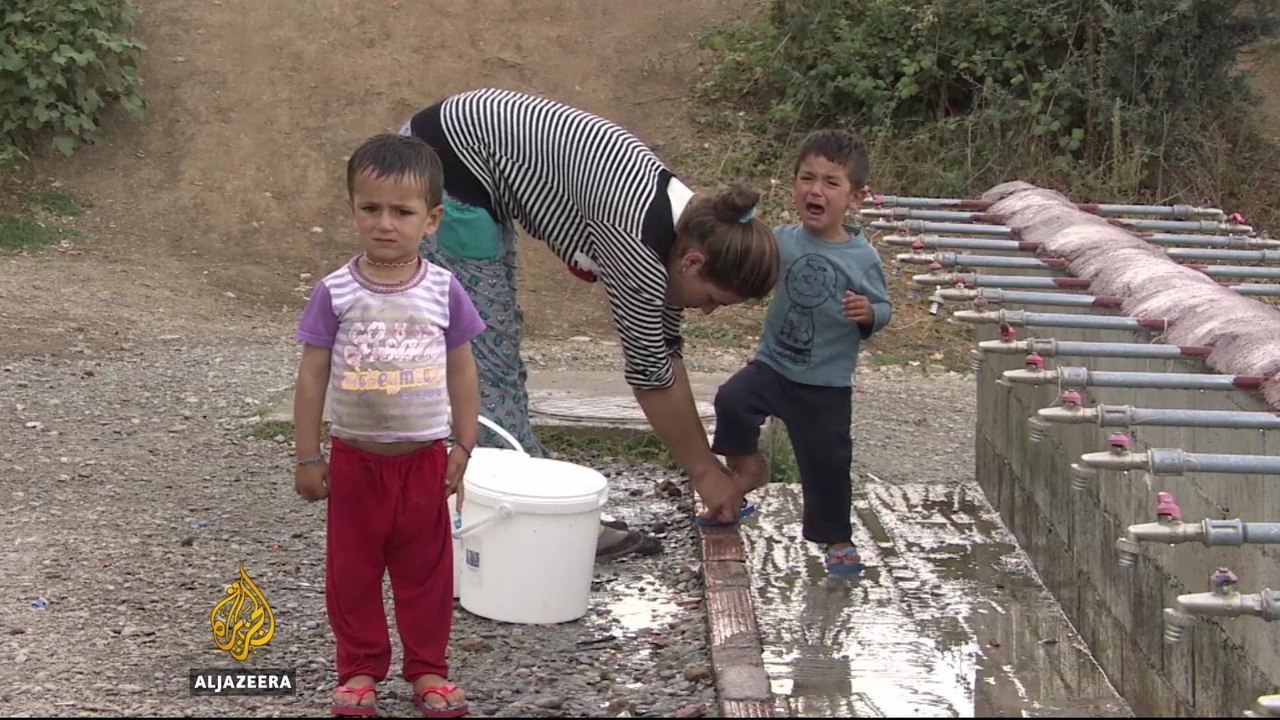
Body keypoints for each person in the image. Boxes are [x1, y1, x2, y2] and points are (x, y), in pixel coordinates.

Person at [397, 88, 780, 558]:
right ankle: (527, 520)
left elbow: (665, 350)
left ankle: (517, 498)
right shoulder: (638, 246)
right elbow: (650, 375)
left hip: (472, 167)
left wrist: (709, 469)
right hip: (440, 172)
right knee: (485, 364)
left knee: (497, 350)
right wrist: (705, 473)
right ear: (693, 262)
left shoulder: (688, 223)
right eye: (712, 300)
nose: (705, 312)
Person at [293, 133, 481, 718]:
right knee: (352, 573)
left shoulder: (444, 290)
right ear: (352, 209)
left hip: (424, 460)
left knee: (425, 573)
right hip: (354, 461)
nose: (384, 223)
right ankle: (359, 669)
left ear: (431, 219)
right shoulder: (336, 291)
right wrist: (307, 455)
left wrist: (464, 443)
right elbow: (311, 375)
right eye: (370, 208)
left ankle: (428, 668)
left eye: (402, 212)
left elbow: (463, 367)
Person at [706, 128, 892, 574]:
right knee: (731, 400)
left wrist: (868, 311)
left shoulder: (861, 257)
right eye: (807, 178)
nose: (816, 190)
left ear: (855, 198)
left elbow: (884, 307)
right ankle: (747, 472)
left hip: (825, 385)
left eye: (831, 182)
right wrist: (715, 292)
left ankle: (836, 538)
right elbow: (749, 269)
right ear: (793, 185)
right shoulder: (782, 241)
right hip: (773, 365)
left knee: (828, 460)